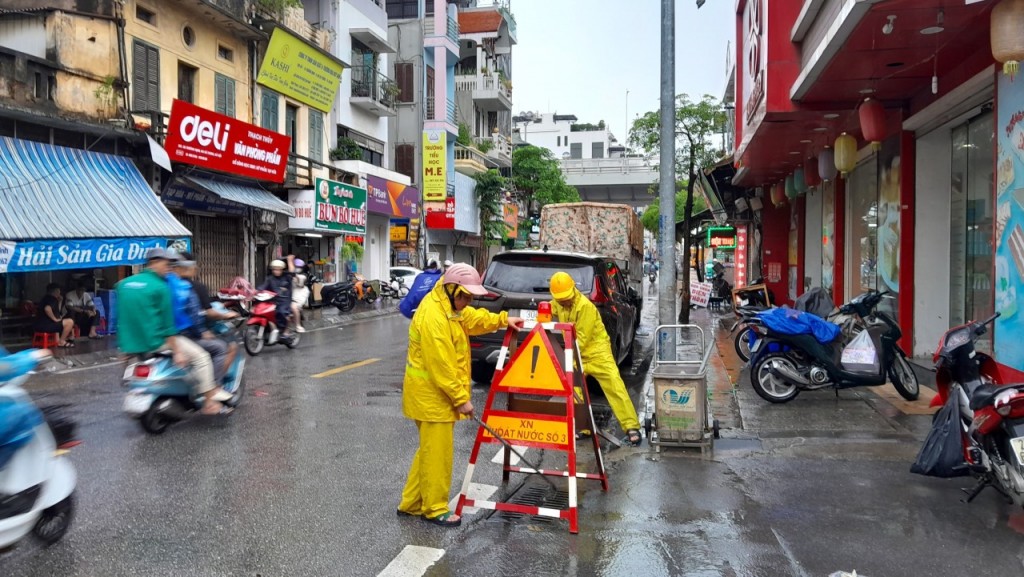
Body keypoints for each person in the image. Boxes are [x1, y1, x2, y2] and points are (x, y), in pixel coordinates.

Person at [397, 263, 524, 527]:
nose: (468, 301)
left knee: (429, 451)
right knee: (438, 454)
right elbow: (441, 366)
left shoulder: (449, 307)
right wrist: (461, 399)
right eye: (465, 296)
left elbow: (472, 319)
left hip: (433, 395)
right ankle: (434, 509)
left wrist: (502, 320)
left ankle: (411, 503)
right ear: (451, 288)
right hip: (431, 397)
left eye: (470, 297)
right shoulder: (434, 316)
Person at [116, 248, 232, 415]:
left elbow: (119, 317)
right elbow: (168, 324)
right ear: (154, 262)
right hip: (156, 342)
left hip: (132, 344)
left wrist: (122, 346)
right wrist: (177, 351)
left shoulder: (124, 284)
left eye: (171, 264)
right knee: (202, 357)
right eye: (166, 263)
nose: (169, 267)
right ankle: (209, 402)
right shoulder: (161, 287)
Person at [549, 271, 642, 446]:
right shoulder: (558, 303)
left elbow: (582, 339)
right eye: (560, 299)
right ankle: (583, 426)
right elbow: (549, 310)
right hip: (576, 350)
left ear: (573, 290)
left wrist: (568, 358)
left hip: (597, 351)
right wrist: (543, 315)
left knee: (615, 386)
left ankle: (631, 426)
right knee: (575, 390)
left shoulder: (585, 306)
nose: (563, 301)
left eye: (566, 298)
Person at [168, 252, 239, 385]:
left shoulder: (165, 285)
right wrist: (202, 331)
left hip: (162, 336)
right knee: (223, 347)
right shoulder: (190, 287)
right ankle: (213, 389)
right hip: (184, 335)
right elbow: (195, 315)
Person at [257, 256, 295, 336]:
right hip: (273, 300)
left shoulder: (287, 277)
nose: (276, 271)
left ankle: (286, 329)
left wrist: (290, 260)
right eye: (274, 269)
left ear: (282, 269)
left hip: (285, 300)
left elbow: (292, 273)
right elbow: (262, 286)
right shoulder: (270, 278)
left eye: (278, 269)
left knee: (282, 312)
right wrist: (256, 292)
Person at [34, 283, 75, 347]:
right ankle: (61, 341)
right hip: (46, 326)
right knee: (70, 322)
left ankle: (61, 340)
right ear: (56, 291)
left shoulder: (45, 298)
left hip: (40, 325)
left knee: (64, 320)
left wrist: (60, 302)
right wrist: (55, 319)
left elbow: (57, 312)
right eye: (59, 291)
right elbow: (47, 309)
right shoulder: (51, 298)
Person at [290, 258, 309, 333]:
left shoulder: (303, 276)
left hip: (300, 293)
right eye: (296, 266)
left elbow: (299, 283)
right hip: (292, 292)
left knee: (295, 306)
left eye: (299, 267)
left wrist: (295, 276)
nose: (297, 268)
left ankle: (298, 325)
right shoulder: (291, 274)